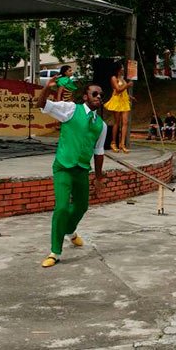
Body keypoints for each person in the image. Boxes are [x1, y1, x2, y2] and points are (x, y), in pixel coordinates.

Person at [37, 76, 107, 268]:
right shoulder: (70, 110)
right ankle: (55, 251)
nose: (98, 97)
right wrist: (47, 89)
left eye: (101, 95)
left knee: (81, 206)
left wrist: (99, 177)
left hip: (82, 169)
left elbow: (99, 152)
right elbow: (42, 104)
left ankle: (70, 230)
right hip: (63, 167)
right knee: (61, 208)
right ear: (85, 97)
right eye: (94, 94)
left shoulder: (101, 125)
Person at [104, 62, 133, 153]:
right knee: (117, 122)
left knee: (125, 122)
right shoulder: (114, 78)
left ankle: (122, 143)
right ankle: (113, 142)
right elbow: (118, 89)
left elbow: (124, 91)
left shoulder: (122, 78)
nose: (123, 69)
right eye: (122, 67)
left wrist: (129, 96)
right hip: (117, 100)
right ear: (118, 69)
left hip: (124, 100)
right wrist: (127, 85)